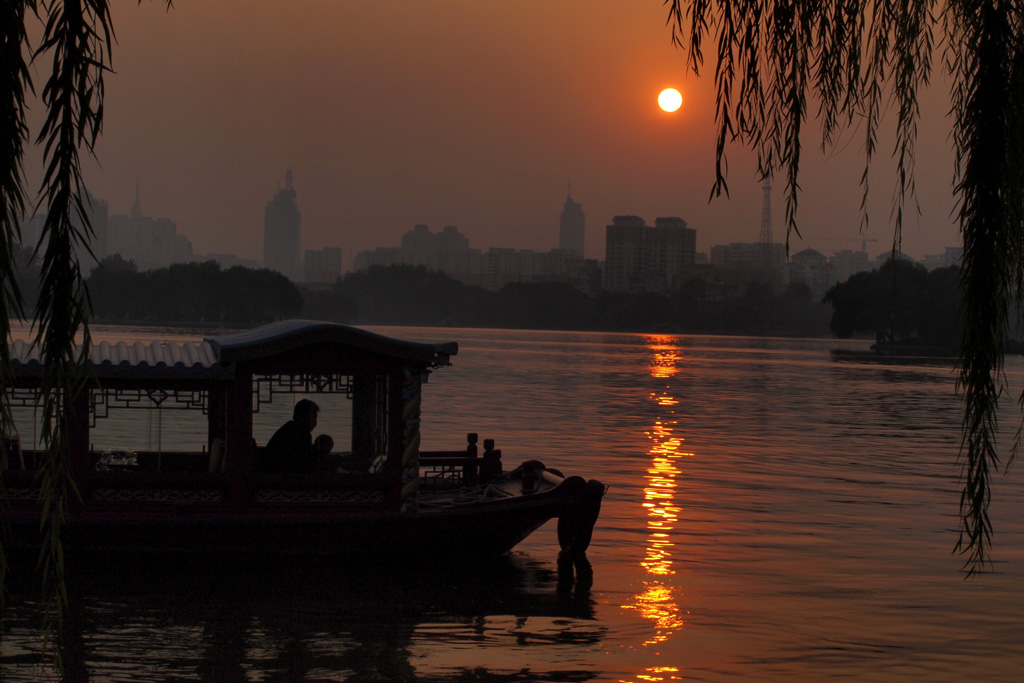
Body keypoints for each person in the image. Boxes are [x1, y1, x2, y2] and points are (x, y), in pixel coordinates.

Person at [260, 399, 327, 473]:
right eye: (314, 418)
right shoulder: (301, 434)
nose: (315, 422)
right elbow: (304, 463)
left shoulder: (288, 428)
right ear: (303, 417)